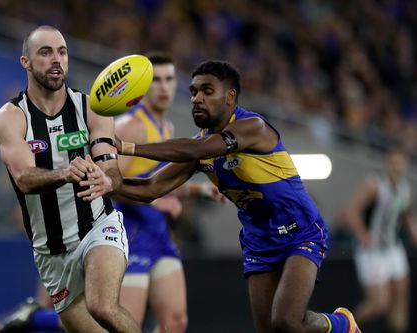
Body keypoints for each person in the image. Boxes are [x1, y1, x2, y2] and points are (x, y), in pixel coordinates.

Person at [77, 60, 361, 333]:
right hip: (259, 240)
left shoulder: (253, 128)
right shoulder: (201, 148)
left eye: (207, 91)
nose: (197, 98)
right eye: (193, 92)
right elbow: (151, 188)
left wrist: (126, 147)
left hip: (300, 231)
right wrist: (106, 183)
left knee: (287, 322)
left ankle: (341, 324)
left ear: (230, 97)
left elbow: (195, 149)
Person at [0, 25, 140, 333]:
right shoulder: (10, 117)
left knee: (103, 306)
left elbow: (111, 169)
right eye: (45, 53)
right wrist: (66, 173)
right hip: (51, 251)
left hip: (98, 226)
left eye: (62, 52)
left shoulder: (92, 109)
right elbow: (23, 178)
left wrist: (108, 181)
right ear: (26, 62)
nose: (56, 59)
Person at [114, 52, 222, 333]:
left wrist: (201, 190)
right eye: (156, 80)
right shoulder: (131, 126)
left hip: (157, 232)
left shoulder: (167, 126)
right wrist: (157, 199)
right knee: (128, 327)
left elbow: (160, 181)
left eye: (169, 79)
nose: (164, 87)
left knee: (175, 322)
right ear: (143, 86)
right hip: (129, 235)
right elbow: (111, 184)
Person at [340, 146, 417, 333]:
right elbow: (349, 211)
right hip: (372, 251)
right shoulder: (374, 185)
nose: (397, 167)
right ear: (386, 164)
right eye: (393, 163)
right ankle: (344, 328)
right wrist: (362, 233)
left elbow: (405, 215)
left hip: (392, 248)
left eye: (400, 163)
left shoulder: (404, 188)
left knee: (400, 297)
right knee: (379, 303)